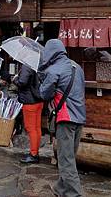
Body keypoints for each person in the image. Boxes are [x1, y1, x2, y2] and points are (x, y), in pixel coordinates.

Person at [39, 39, 86, 197]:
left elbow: (44, 94)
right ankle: (60, 188)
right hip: (79, 117)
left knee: (66, 159)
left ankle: (74, 193)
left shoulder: (53, 70)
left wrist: (42, 78)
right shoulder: (77, 67)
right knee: (69, 156)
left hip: (65, 118)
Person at [14, 64, 43, 164]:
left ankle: (33, 154)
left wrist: (15, 79)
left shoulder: (27, 66)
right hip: (38, 100)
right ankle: (35, 151)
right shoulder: (37, 65)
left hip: (29, 101)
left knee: (30, 128)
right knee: (37, 128)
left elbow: (22, 82)